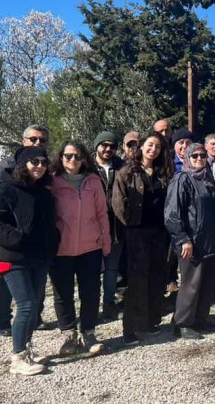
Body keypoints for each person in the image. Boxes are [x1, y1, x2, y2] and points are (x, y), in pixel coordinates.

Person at [0, 147, 59, 376]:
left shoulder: (43, 192)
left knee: (34, 304)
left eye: (43, 162)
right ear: (23, 165)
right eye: (34, 161)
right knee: (25, 305)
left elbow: (49, 224)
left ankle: (26, 349)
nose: (39, 166)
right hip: (13, 256)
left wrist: (52, 245)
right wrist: (17, 239)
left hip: (39, 257)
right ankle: (17, 358)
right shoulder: (6, 189)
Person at [49, 142, 110, 355]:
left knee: (91, 292)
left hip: (90, 246)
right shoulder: (52, 182)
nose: (72, 160)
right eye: (68, 156)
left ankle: (88, 333)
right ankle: (68, 334)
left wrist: (106, 242)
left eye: (77, 156)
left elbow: (102, 213)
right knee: (62, 293)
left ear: (84, 158)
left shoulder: (93, 181)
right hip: (61, 248)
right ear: (61, 157)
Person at [113, 132, 174, 345]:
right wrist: (131, 224)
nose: (153, 149)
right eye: (150, 145)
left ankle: (149, 322)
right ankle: (130, 328)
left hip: (160, 233)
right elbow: (118, 203)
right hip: (137, 233)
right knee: (137, 281)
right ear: (141, 147)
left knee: (157, 278)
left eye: (158, 146)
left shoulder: (164, 172)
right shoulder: (127, 171)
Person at [0, 125, 53, 335]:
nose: (38, 143)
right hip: (12, 247)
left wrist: (50, 242)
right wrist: (17, 238)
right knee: (13, 291)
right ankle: (4, 321)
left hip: (36, 250)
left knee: (31, 299)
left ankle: (30, 327)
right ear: (23, 140)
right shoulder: (5, 170)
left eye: (42, 140)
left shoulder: (43, 176)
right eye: (33, 139)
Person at [165, 143, 215, 340]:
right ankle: (183, 323)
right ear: (187, 158)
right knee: (190, 284)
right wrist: (183, 239)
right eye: (195, 156)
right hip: (192, 243)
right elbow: (172, 214)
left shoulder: (208, 179)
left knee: (208, 283)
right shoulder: (182, 179)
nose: (199, 159)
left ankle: (200, 319)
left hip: (211, 242)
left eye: (202, 155)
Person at [93, 131, 124, 320]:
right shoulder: (86, 167)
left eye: (112, 146)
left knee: (112, 269)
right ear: (96, 145)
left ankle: (109, 303)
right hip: (92, 225)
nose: (108, 149)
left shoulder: (121, 166)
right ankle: (91, 304)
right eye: (104, 145)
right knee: (94, 269)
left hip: (116, 225)